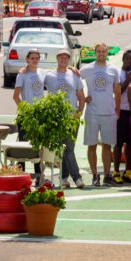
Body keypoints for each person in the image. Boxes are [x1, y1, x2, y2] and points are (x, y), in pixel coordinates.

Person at [44, 48, 87, 189]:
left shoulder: (74, 75)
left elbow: (81, 96)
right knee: (64, 149)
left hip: (72, 117)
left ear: (69, 60)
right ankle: (68, 178)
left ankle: (71, 177)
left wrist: (79, 113)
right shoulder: (49, 76)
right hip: (57, 118)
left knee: (68, 148)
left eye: (66, 58)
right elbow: (35, 74)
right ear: (57, 59)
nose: (63, 60)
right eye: (61, 57)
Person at [80, 43, 121, 187]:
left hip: (109, 113)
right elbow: (74, 81)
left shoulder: (113, 69)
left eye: (103, 51)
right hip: (92, 113)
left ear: (107, 52)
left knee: (106, 145)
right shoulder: (87, 69)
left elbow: (117, 90)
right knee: (91, 145)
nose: (101, 54)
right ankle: (95, 175)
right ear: (95, 53)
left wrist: (117, 110)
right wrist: (83, 98)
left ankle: (107, 175)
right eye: (98, 51)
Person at [13, 48, 48, 183]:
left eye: (36, 58)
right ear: (27, 59)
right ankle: (20, 178)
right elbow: (16, 96)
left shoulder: (43, 73)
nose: (34, 60)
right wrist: (25, 112)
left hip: (39, 116)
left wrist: (71, 67)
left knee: (38, 148)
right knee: (24, 147)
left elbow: (59, 71)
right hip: (26, 116)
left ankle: (39, 177)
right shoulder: (22, 74)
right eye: (32, 58)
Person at [112, 49, 131, 185]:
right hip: (120, 111)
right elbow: (118, 92)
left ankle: (128, 170)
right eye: (127, 58)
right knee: (118, 143)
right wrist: (127, 81)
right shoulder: (118, 73)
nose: (129, 61)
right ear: (123, 59)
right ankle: (116, 170)